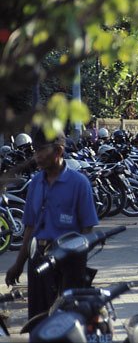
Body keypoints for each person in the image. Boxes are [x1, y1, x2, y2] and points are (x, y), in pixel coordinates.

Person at [5, 129, 99, 320]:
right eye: (35, 150)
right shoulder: (35, 183)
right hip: (38, 259)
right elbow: (30, 227)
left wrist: (78, 265)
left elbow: (87, 228)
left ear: (58, 151)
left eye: (41, 150)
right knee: (38, 320)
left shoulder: (80, 183)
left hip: (68, 261)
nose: (36, 156)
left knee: (66, 321)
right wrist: (19, 263)